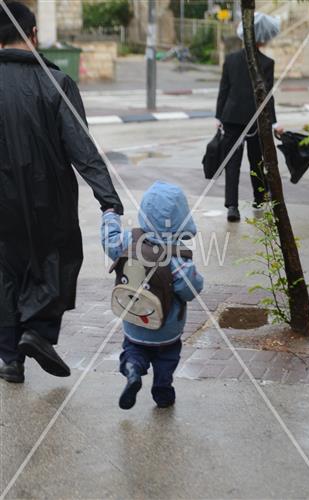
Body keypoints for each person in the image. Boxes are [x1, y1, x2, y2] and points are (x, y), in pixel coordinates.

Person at [0, 2, 123, 383]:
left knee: (4, 272)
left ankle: (10, 359)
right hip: (49, 201)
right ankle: (39, 331)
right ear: (34, 36)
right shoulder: (58, 83)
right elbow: (82, 150)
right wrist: (109, 201)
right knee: (56, 260)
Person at [102, 181, 204, 409]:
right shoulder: (178, 258)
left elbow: (109, 240)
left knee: (134, 350)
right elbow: (191, 290)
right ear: (182, 218)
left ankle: (132, 370)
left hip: (134, 322)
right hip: (167, 330)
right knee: (167, 359)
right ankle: (162, 391)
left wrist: (110, 217)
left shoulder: (129, 241)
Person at [215, 12, 284, 222]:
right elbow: (267, 96)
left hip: (231, 118)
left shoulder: (231, 59)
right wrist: (274, 122)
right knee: (257, 161)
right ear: (263, 37)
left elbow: (223, 90)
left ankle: (232, 208)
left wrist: (218, 116)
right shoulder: (267, 63)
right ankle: (259, 198)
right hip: (256, 120)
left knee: (232, 164)